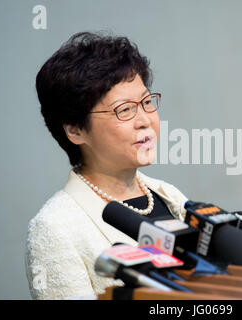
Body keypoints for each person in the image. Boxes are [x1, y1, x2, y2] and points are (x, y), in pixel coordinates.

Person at [25, 32, 188, 299]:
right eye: (124, 110)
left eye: (147, 102)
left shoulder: (168, 194)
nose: (145, 120)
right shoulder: (55, 228)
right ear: (76, 130)